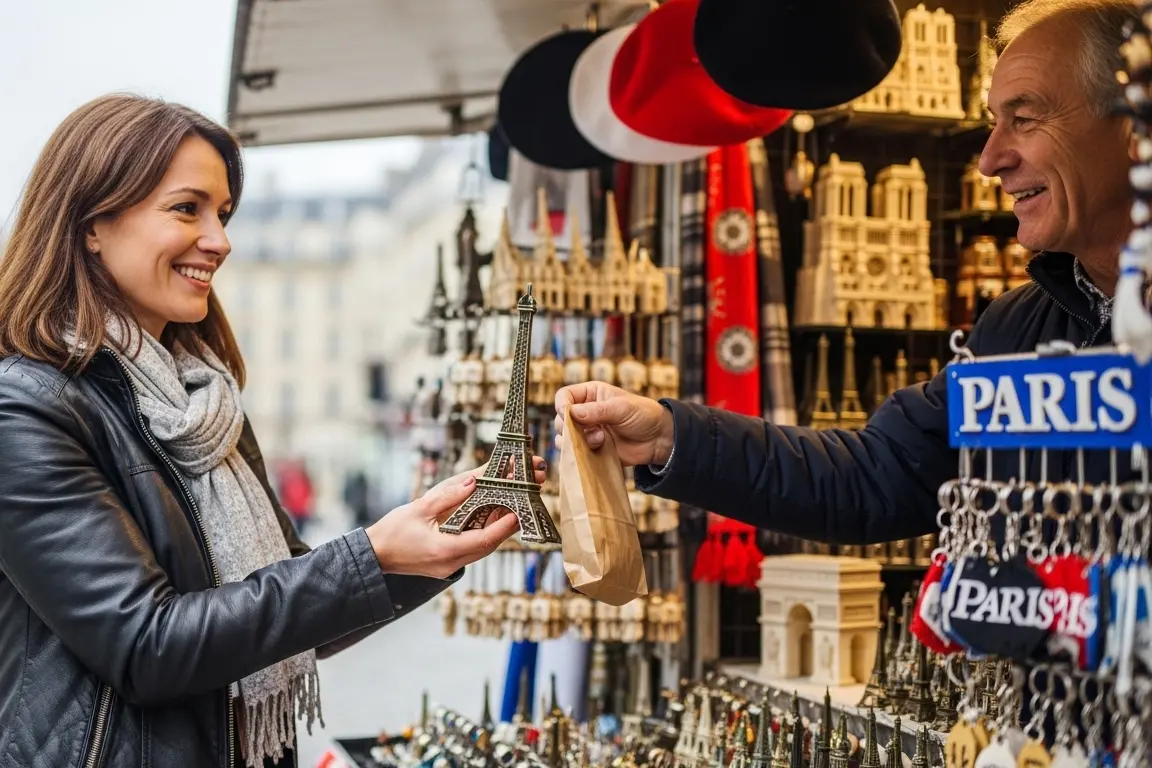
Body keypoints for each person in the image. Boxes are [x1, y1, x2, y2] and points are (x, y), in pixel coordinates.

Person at [0, 94, 539, 768]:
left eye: (223, 214)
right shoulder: (24, 409)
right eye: (186, 209)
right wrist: (373, 554)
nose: (220, 240)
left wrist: (438, 541)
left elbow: (291, 609)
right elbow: (145, 646)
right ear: (91, 225)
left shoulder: (207, 398)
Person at [555, 0, 1142, 544]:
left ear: (1136, 125)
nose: (990, 159)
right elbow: (877, 475)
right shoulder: (1016, 327)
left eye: (1026, 118)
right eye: (994, 122)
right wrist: (667, 434)